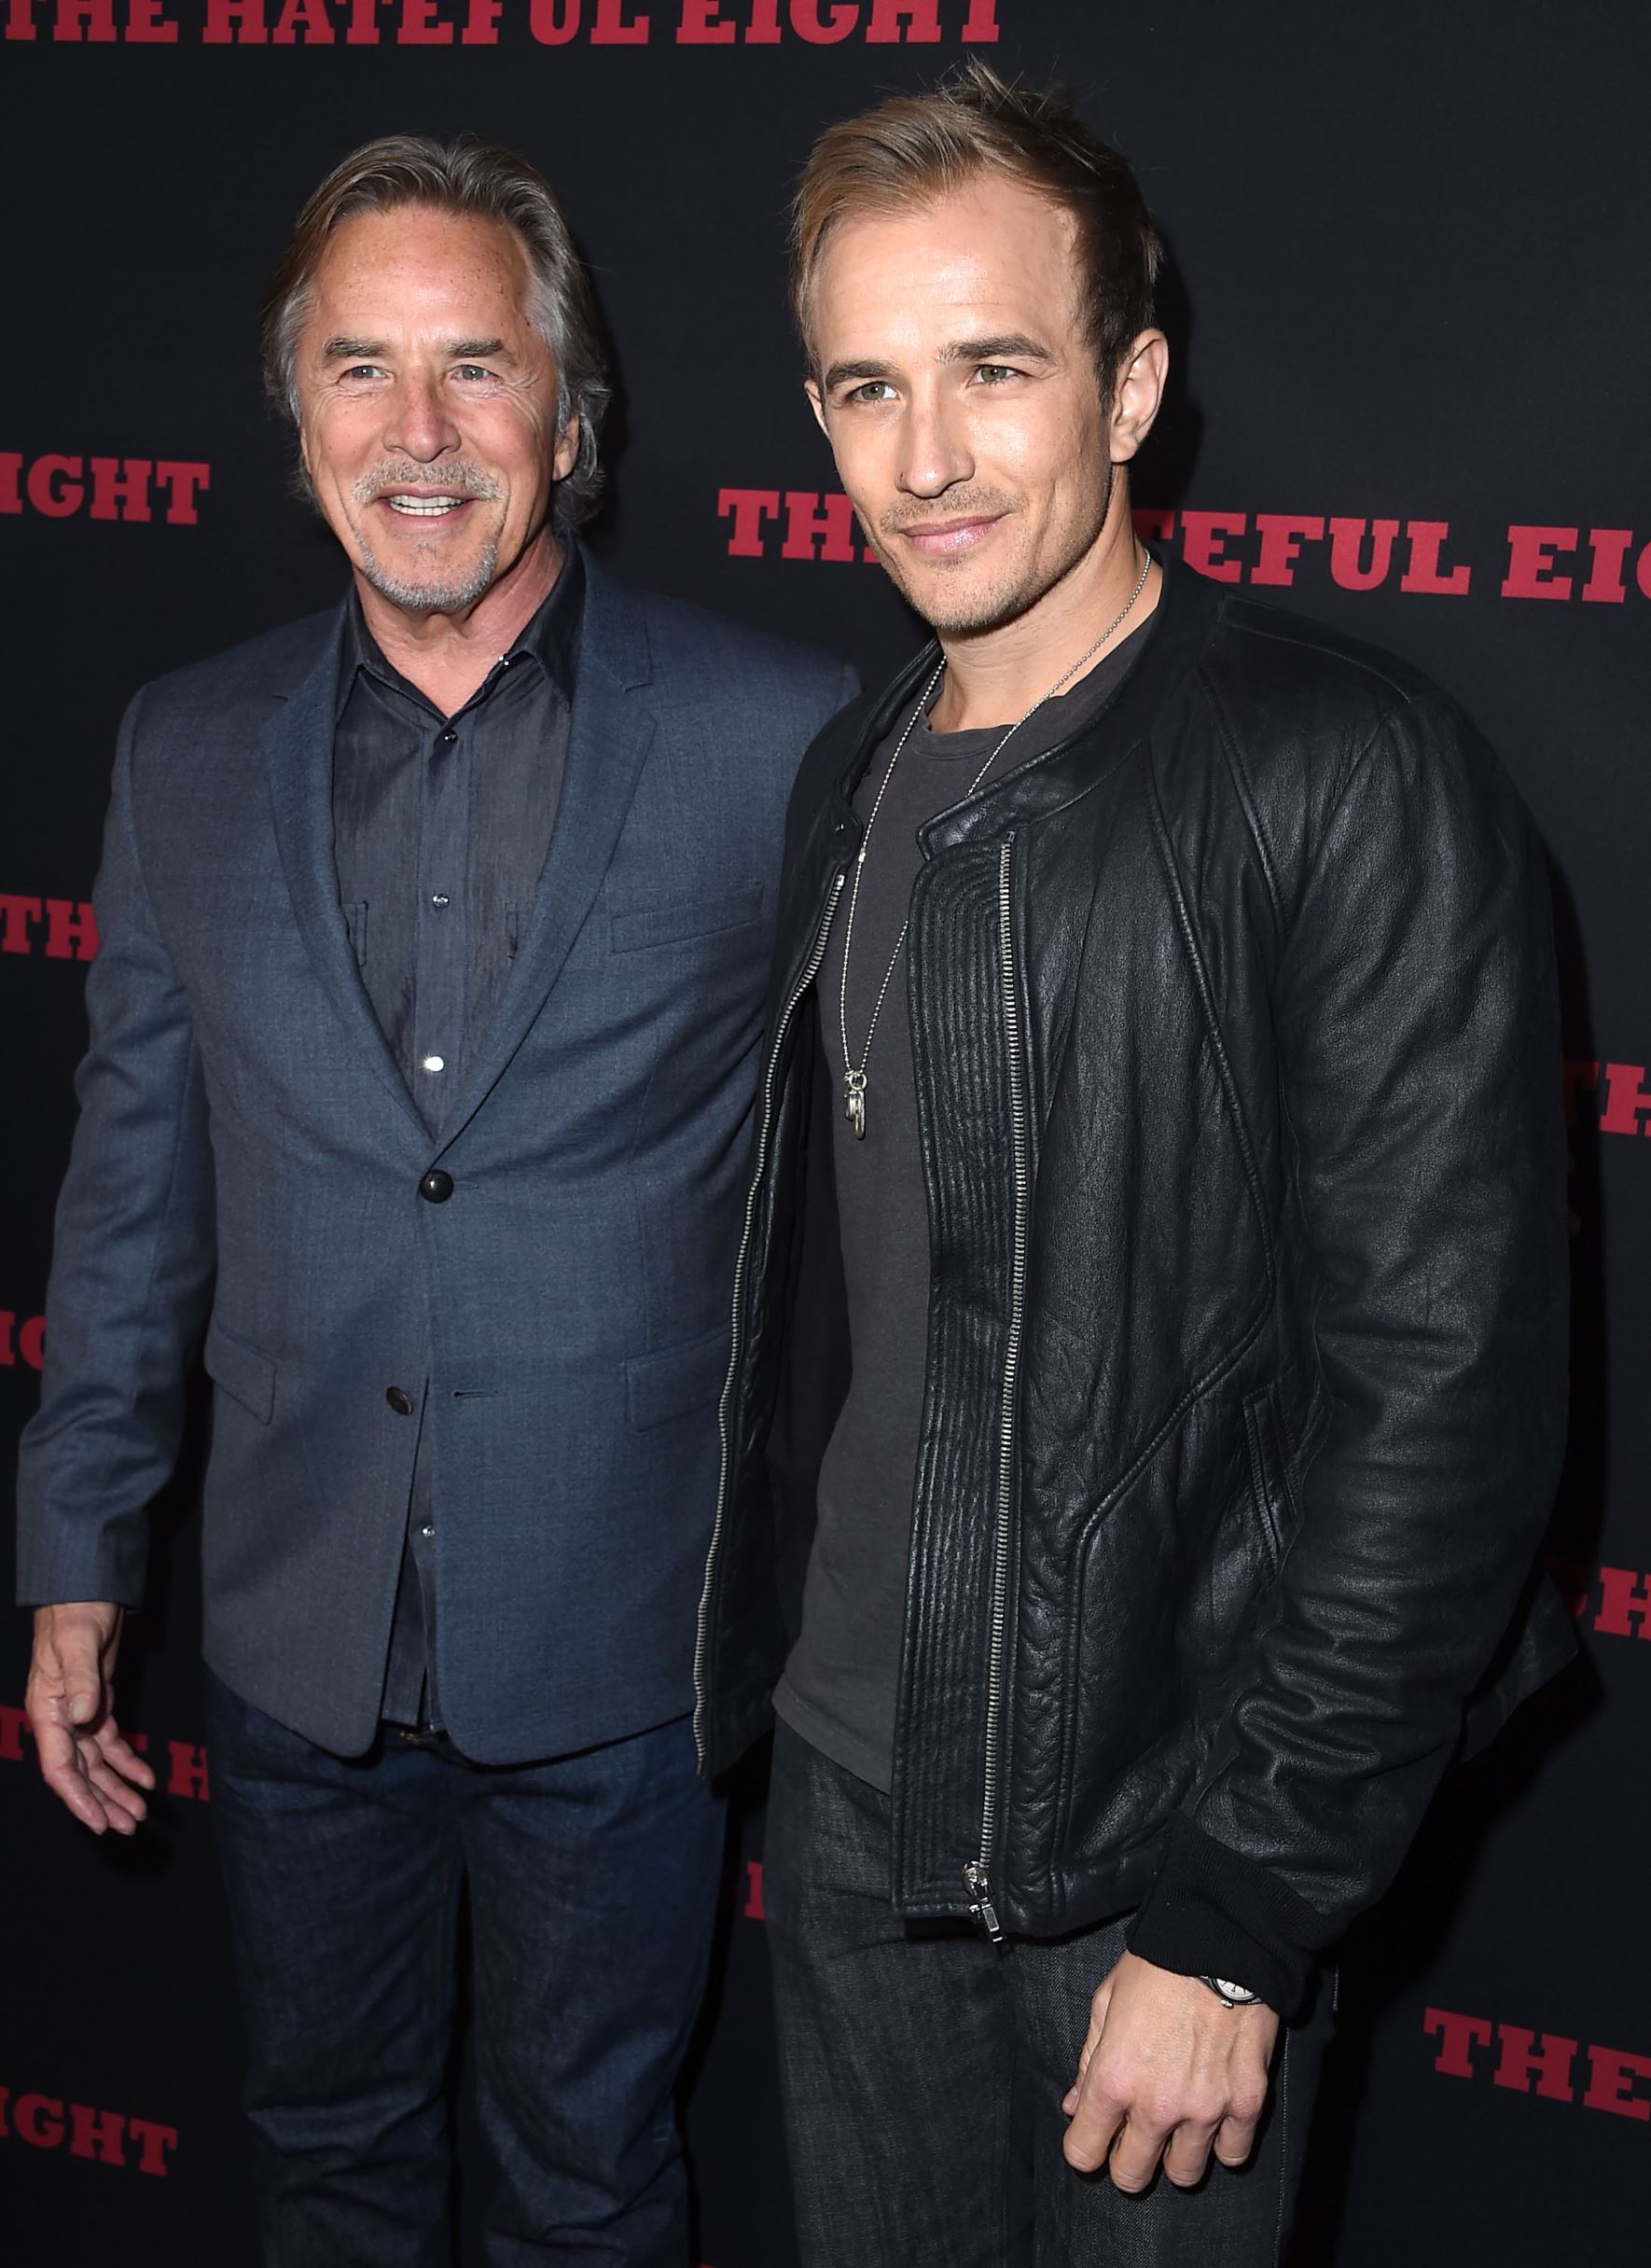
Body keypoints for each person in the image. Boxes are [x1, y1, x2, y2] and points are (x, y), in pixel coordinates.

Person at [693, 63, 1573, 2266]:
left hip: (1148, 1867)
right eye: (865, 385)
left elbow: (1441, 1403)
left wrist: (1246, 1915)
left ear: (1131, 385)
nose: (925, 457)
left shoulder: (1346, 772)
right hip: (851, 1795)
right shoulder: (853, 765)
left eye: (994, 369)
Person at [17, 135, 854, 2265]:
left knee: (591, 2187)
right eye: (361, 369)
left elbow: (883, 1216)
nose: (418, 432)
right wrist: (77, 1550)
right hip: (294, 1648)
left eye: (476, 367)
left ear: (569, 419)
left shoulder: (783, 742)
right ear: (296, 426)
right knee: (325, 2160)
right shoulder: (182, 749)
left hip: (625, 1645)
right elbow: (131, 1194)